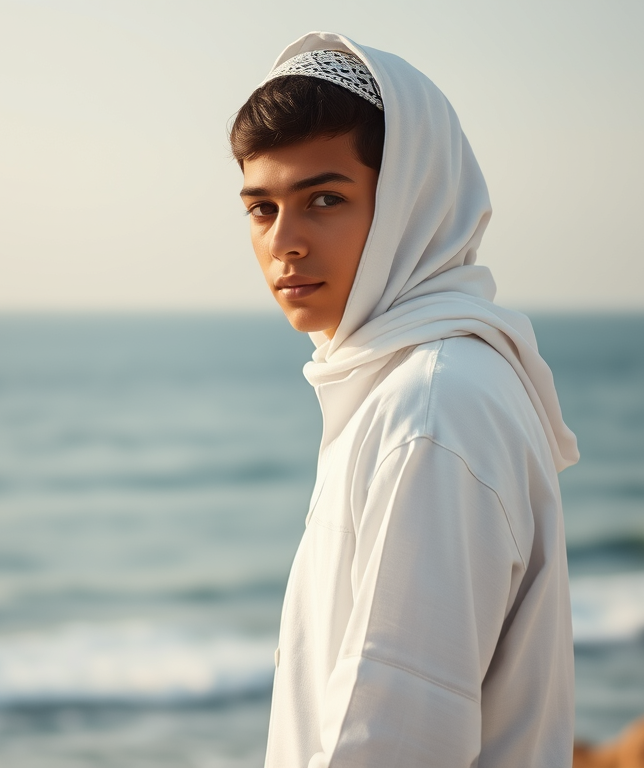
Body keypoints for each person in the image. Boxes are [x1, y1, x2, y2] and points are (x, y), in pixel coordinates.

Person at [230, 32, 581, 767]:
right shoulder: (417, 382)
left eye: (323, 199)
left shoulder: (432, 409)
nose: (284, 241)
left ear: (407, 203)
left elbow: (391, 737)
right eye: (261, 209)